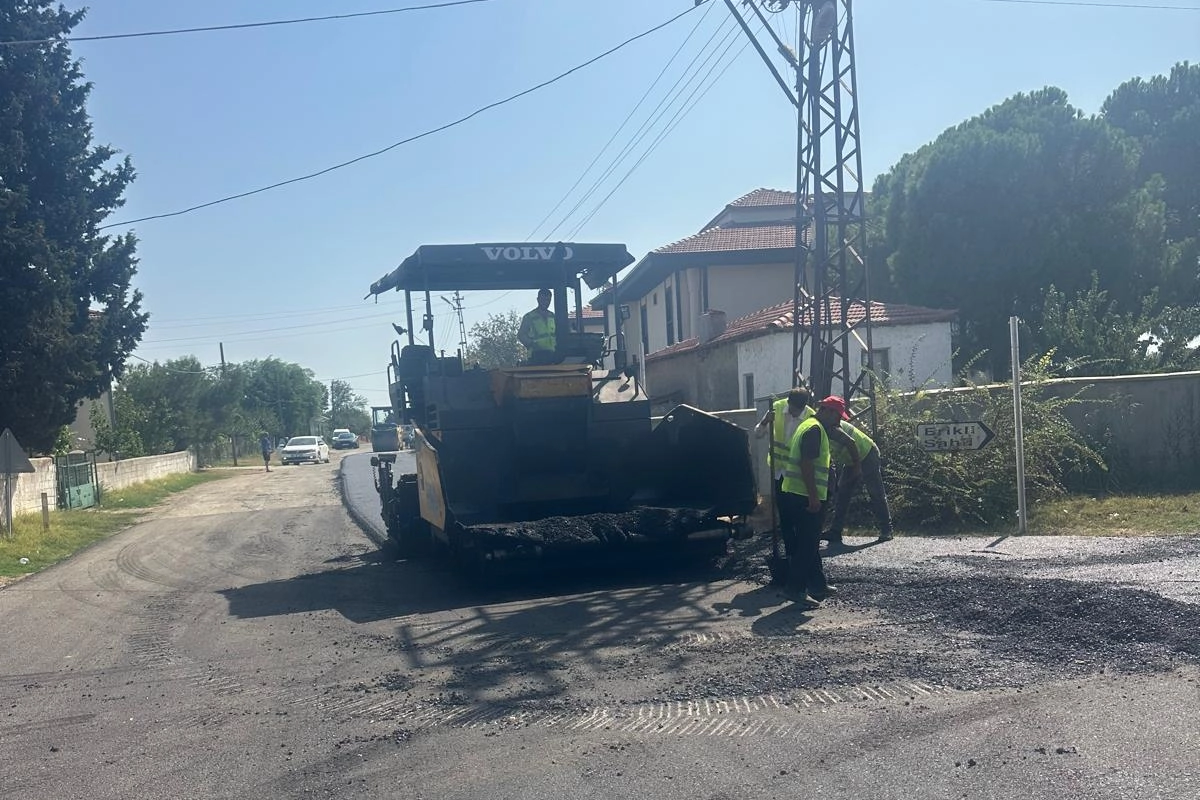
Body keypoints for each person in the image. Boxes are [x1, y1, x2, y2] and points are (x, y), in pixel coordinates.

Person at [778, 397, 840, 605]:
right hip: (805, 495)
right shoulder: (814, 430)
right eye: (838, 417)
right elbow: (806, 464)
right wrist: (814, 497)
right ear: (829, 412)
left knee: (809, 542)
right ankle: (794, 588)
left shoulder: (808, 425)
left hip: (796, 493)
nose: (838, 422)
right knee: (807, 544)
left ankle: (817, 585)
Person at [820, 398, 894, 544]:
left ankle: (887, 530)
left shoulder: (833, 428)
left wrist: (857, 468)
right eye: (839, 415)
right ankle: (836, 531)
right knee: (843, 493)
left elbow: (851, 443)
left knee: (875, 492)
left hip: (867, 455)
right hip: (852, 460)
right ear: (830, 412)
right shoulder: (824, 425)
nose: (840, 418)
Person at [754, 386, 814, 538]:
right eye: (794, 409)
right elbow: (758, 434)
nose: (796, 414)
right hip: (779, 472)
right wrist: (765, 421)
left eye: (799, 410)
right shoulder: (777, 409)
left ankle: (800, 549)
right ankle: (790, 552)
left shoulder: (811, 418)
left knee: (798, 514)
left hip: (798, 477)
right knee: (784, 513)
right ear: (788, 402)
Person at [517, 288, 556, 362]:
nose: (546, 302)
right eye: (543, 300)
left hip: (552, 355)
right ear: (538, 299)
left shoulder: (553, 316)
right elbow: (521, 335)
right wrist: (531, 344)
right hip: (536, 355)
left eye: (548, 300)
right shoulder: (529, 317)